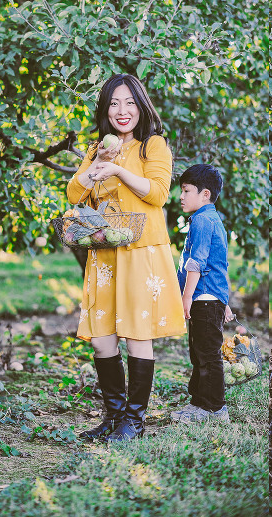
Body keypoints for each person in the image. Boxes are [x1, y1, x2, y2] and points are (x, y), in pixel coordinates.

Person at [67, 74, 186, 442]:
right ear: (105, 108)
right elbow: (74, 194)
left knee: (137, 335)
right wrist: (96, 164)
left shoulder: (153, 146)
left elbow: (158, 194)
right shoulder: (96, 149)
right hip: (105, 253)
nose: (123, 111)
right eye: (115, 103)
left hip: (140, 253)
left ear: (141, 107)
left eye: (130, 103)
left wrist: (118, 168)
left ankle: (134, 421)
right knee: (102, 340)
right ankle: (114, 417)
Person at [171, 164, 234, 423]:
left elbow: (196, 263)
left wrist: (186, 297)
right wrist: (225, 302)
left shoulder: (202, 220)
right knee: (199, 353)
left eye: (186, 191)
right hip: (210, 298)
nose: (181, 197)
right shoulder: (211, 219)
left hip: (204, 299)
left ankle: (215, 408)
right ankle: (199, 404)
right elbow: (221, 263)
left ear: (205, 194)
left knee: (207, 355)